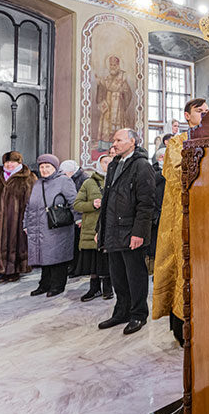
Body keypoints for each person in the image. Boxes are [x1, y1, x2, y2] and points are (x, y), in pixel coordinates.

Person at [153, 98, 208, 345]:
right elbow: (176, 175)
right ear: (187, 116)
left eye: (208, 111)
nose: (204, 115)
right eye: (199, 111)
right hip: (182, 216)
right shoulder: (177, 142)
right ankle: (181, 326)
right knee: (183, 268)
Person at [96, 129, 155, 335]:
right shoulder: (114, 165)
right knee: (118, 275)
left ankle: (138, 314)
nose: (115, 144)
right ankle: (121, 311)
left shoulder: (141, 166)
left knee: (135, 275)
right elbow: (107, 201)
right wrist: (100, 229)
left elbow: (146, 204)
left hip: (131, 231)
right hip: (112, 230)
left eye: (119, 140)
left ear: (132, 142)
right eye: (114, 140)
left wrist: (139, 232)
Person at [23, 154, 79, 297]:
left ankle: (57, 285)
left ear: (55, 167)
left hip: (57, 226)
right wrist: (26, 224)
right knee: (44, 257)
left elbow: (74, 201)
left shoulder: (64, 181)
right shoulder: (38, 183)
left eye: (48, 166)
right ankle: (44, 284)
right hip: (39, 226)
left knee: (57, 257)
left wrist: (79, 219)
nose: (44, 169)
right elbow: (29, 206)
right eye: (42, 167)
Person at [0, 151, 36, 281]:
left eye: (13, 162)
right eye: (7, 162)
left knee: (15, 243)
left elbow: (33, 200)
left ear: (19, 163)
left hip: (17, 217)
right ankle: (1, 269)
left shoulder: (28, 177)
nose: (9, 164)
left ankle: (14, 271)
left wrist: (30, 219)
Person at [74, 154, 113, 302]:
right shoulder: (88, 183)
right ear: (98, 164)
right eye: (104, 162)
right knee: (93, 260)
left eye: (110, 162)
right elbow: (77, 204)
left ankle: (108, 289)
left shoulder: (116, 181)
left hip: (109, 226)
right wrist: (92, 204)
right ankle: (94, 288)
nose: (107, 165)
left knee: (107, 258)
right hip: (91, 227)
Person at [59, 159, 88, 276]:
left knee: (77, 244)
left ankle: (77, 269)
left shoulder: (83, 179)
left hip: (79, 215)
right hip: (71, 215)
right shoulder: (74, 178)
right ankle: (73, 267)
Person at [148, 147, 166, 270]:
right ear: (161, 158)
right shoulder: (151, 170)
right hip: (155, 215)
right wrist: (165, 171)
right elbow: (151, 182)